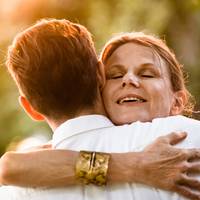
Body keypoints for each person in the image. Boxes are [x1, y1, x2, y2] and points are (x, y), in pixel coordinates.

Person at [0, 19, 200, 199]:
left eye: (147, 74)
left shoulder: (20, 187)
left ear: (30, 108)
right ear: (101, 76)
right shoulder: (185, 142)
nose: (129, 80)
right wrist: (135, 165)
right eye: (116, 75)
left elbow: (7, 167)